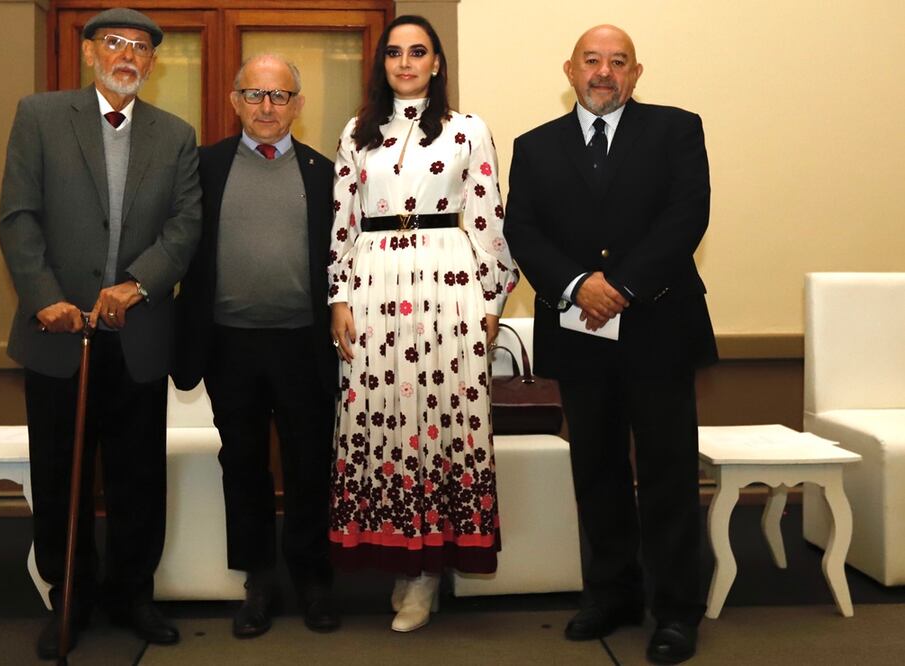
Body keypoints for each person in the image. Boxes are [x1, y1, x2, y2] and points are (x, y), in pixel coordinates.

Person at [504, 24, 716, 665]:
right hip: (579, 336)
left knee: (667, 473)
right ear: (569, 70)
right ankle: (611, 594)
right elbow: (523, 228)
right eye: (592, 61)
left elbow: (689, 214)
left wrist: (619, 286)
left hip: (658, 328)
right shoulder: (535, 146)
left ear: (637, 72)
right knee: (594, 469)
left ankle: (676, 609)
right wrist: (576, 285)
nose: (604, 72)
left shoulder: (677, 130)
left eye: (617, 62)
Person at [0, 7, 201, 659]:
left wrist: (137, 284)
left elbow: (184, 228)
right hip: (59, 335)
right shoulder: (40, 116)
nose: (128, 56)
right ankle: (70, 599)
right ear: (89, 52)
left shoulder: (174, 136)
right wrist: (45, 299)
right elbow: (18, 218)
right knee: (61, 475)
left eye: (141, 48)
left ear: (152, 63)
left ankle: (132, 595)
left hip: (136, 336)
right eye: (115, 43)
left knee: (138, 476)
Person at [327, 14, 519, 633]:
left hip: (448, 284)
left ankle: (427, 574)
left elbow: (489, 219)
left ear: (437, 62)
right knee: (380, 414)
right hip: (374, 284)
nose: (405, 62)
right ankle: (401, 562)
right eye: (394, 53)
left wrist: (491, 304)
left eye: (418, 52)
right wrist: (338, 296)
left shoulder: (468, 131)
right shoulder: (356, 132)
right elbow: (342, 221)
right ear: (382, 64)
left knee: (441, 420)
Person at [171, 54, 339, 638]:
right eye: (255, 95)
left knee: (310, 465)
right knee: (241, 466)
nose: (267, 107)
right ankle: (258, 583)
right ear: (235, 101)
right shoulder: (201, 167)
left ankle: (314, 580)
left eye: (280, 96)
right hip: (228, 346)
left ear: (297, 105)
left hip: (304, 346)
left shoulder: (326, 173)